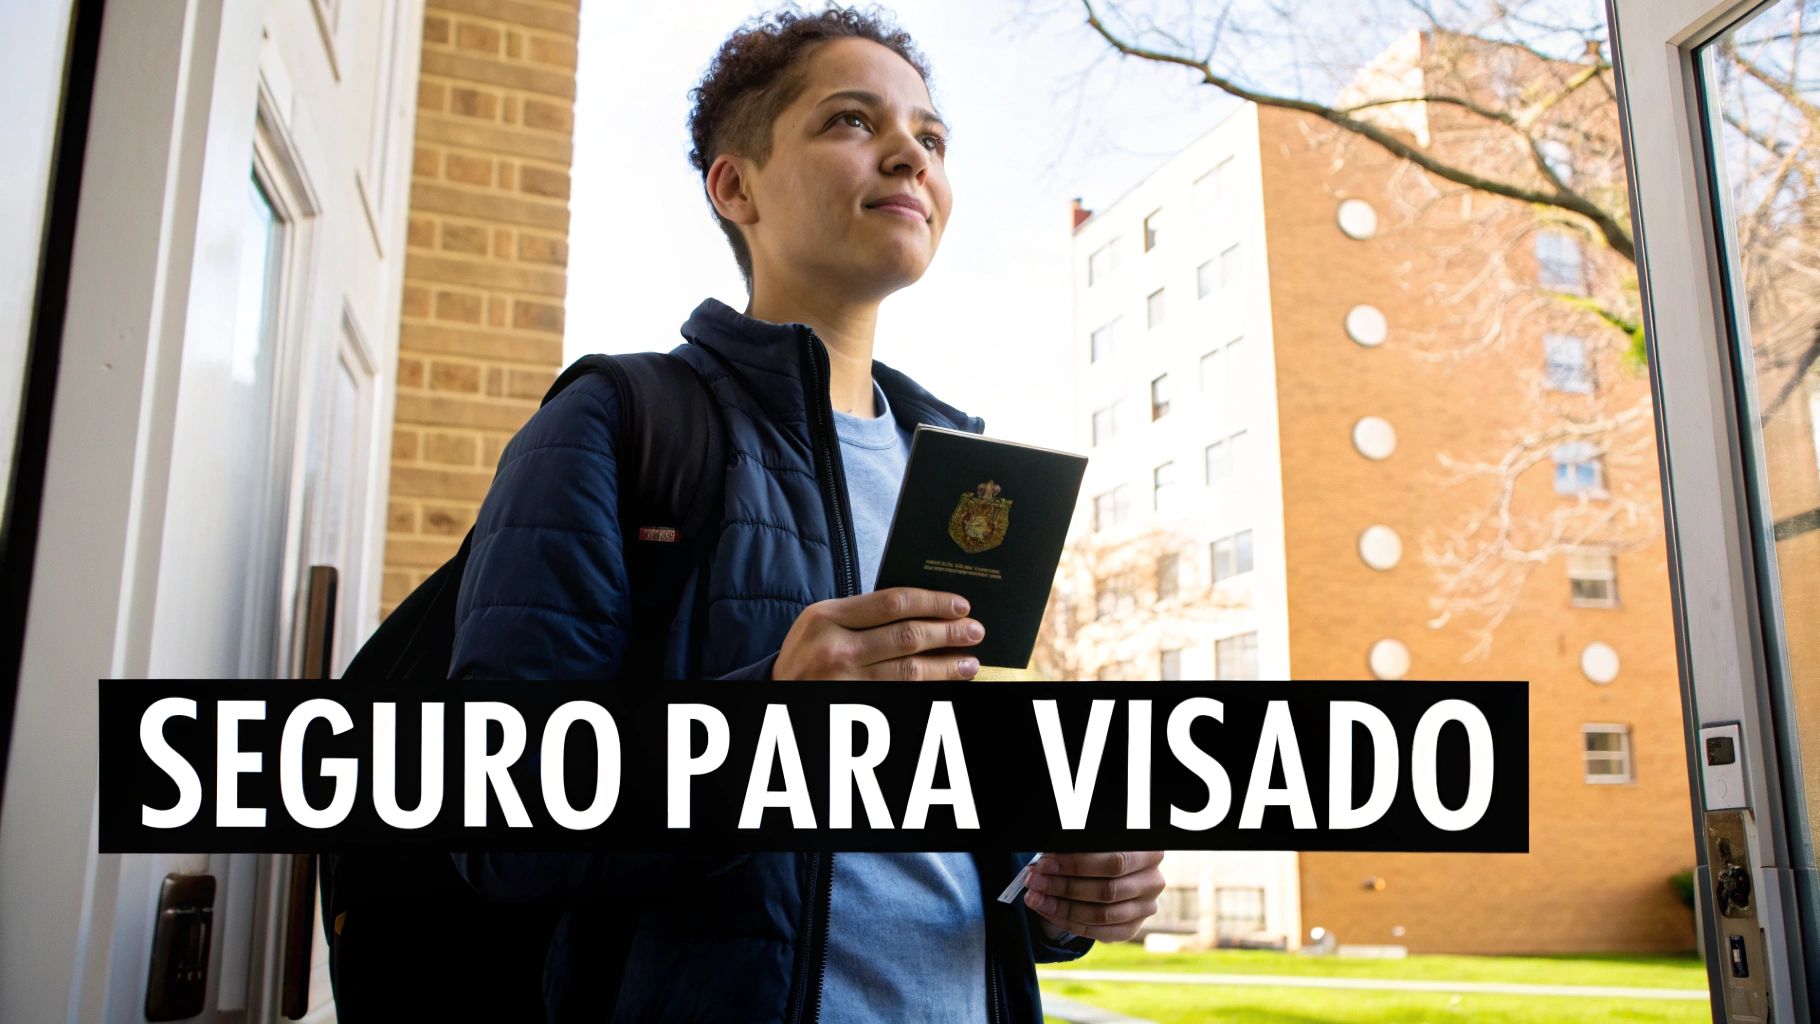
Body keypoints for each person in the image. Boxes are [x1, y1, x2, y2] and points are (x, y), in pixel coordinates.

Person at [449, 5, 1165, 1019]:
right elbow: (493, 812)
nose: (907, 156)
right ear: (734, 184)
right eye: (849, 122)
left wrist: (1062, 884)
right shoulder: (616, 425)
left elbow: (961, 822)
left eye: (930, 137)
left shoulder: (971, 485)